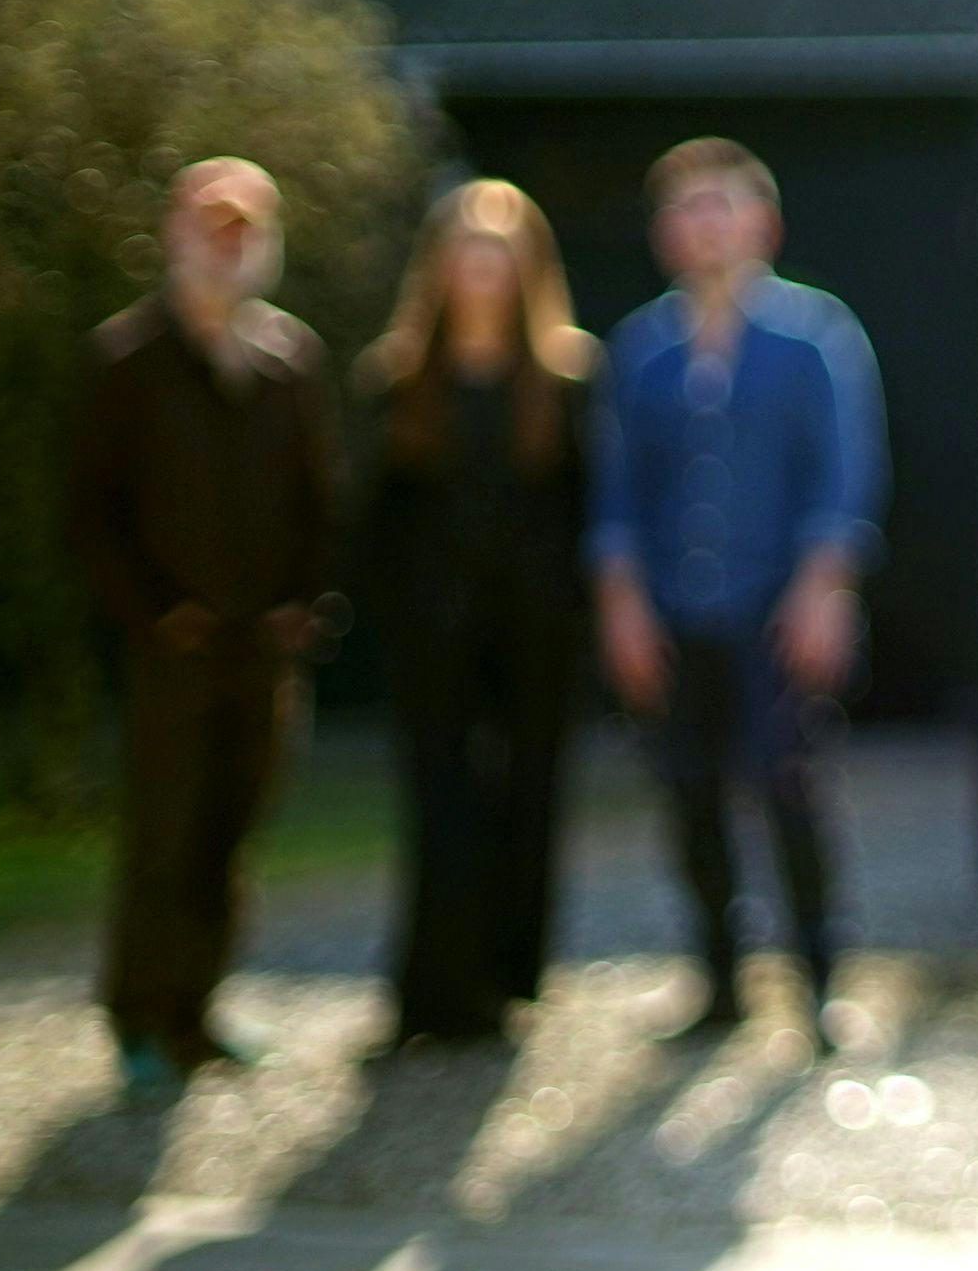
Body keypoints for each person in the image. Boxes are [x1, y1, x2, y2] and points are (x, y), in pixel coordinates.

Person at [589, 139, 885, 1040]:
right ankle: (718, 982)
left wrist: (823, 590)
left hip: (776, 606)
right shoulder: (643, 350)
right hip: (678, 611)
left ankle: (819, 977)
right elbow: (619, 493)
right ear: (664, 232)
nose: (705, 226)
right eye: (687, 210)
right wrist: (623, 605)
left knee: (789, 787)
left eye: (722, 207)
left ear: (762, 223)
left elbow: (844, 475)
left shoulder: (814, 336)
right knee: (688, 793)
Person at [66, 157, 335, 1105]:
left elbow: (317, 497)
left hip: (260, 650)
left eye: (244, 230)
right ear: (176, 234)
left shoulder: (287, 358)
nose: (225, 247)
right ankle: (138, 1013)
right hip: (169, 650)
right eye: (209, 227)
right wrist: (153, 611)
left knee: (232, 830)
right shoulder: (128, 359)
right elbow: (90, 511)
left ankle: (198, 1007)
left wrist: (304, 602)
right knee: (163, 833)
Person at [350, 179, 600, 1049]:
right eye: (468, 249)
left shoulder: (568, 381)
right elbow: (376, 522)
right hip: (434, 640)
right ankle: (430, 989)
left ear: (526, 266)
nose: (483, 269)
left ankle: (504, 979)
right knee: (438, 807)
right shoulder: (398, 378)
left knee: (526, 802)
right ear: (440, 266)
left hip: (536, 640)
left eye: (500, 251)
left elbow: (583, 514)